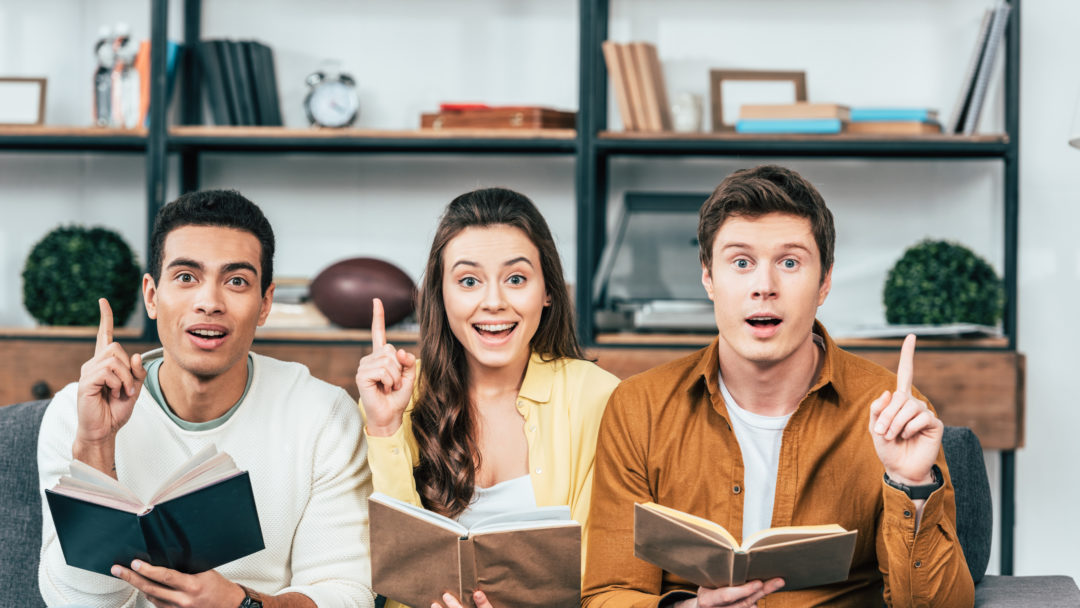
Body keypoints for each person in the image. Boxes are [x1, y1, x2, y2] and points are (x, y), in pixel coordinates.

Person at [581, 165, 974, 607]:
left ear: (824, 281)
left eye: (789, 263)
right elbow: (610, 594)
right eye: (741, 262)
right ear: (708, 278)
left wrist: (912, 485)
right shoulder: (639, 409)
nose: (764, 287)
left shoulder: (893, 412)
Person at [37, 190, 375, 608]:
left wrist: (239, 604)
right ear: (151, 296)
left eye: (236, 281)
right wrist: (94, 447)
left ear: (265, 303)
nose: (210, 303)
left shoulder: (323, 414)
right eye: (185, 277)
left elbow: (345, 594)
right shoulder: (77, 411)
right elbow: (75, 604)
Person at [356, 187, 619, 608]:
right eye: (468, 281)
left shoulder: (598, 397)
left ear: (548, 291)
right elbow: (390, 578)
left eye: (516, 279)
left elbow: (603, 577)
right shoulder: (397, 396)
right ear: (441, 295)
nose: (494, 302)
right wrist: (385, 427)